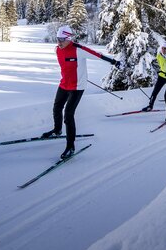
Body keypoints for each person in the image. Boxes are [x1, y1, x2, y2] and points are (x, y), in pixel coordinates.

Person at [42, 25, 120, 159]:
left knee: (68, 114)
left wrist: (114, 62)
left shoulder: (78, 50)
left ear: (68, 38)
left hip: (77, 86)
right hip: (64, 84)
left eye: (61, 39)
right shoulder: (57, 50)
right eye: (57, 39)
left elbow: (97, 55)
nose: (59, 42)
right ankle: (57, 130)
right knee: (57, 107)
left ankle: (70, 146)